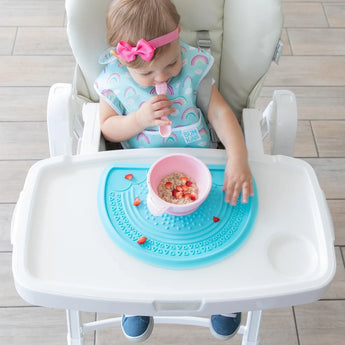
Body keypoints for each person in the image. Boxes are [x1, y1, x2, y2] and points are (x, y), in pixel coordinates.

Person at [94, 0, 253, 342]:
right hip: (138, 174)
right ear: (123, 59)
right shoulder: (115, 80)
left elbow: (220, 113)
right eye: (147, 74)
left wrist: (239, 156)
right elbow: (107, 127)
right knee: (133, 239)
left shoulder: (192, 67)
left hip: (201, 168)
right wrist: (137, 120)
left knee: (220, 234)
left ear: (179, 40)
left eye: (170, 64)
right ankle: (136, 299)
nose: (162, 78)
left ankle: (224, 298)